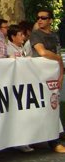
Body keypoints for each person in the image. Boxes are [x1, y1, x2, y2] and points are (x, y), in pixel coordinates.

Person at [29, 9, 64, 153]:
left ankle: (51, 137)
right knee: (45, 108)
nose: (40, 20)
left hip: (53, 76)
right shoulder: (36, 35)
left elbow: (57, 53)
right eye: (38, 18)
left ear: (50, 20)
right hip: (39, 77)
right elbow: (42, 52)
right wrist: (58, 59)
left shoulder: (55, 36)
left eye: (44, 17)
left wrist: (60, 74)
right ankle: (53, 141)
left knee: (53, 107)